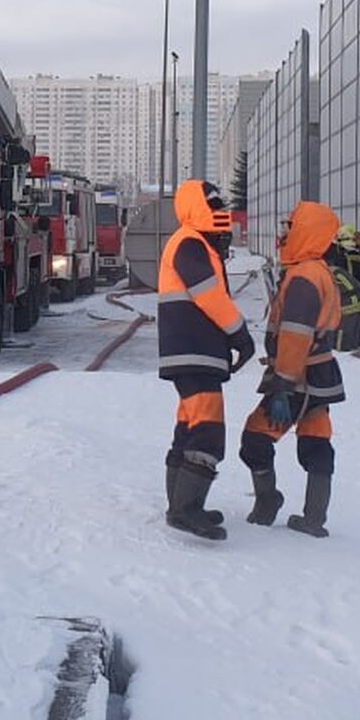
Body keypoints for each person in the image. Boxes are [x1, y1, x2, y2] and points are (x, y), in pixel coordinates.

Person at [238, 200, 344, 539]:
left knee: (255, 438)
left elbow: (296, 334)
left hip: (298, 376)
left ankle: (268, 500)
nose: (284, 233)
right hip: (321, 373)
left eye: (290, 227)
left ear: (307, 232)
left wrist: (283, 383)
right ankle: (314, 518)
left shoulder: (303, 277)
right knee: (315, 439)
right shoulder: (317, 270)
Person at [158, 179, 255, 542]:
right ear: (198, 207)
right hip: (194, 350)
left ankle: (180, 506)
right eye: (213, 205)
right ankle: (186, 510)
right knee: (207, 431)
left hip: (193, 352)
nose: (220, 212)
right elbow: (209, 296)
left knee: (188, 427)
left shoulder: (195, 244)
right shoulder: (190, 243)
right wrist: (239, 334)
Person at [327, 227, 360, 352]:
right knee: (358, 330)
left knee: (343, 328)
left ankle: (343, 352)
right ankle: (359, 351)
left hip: (347, 297)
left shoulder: (340, 258)